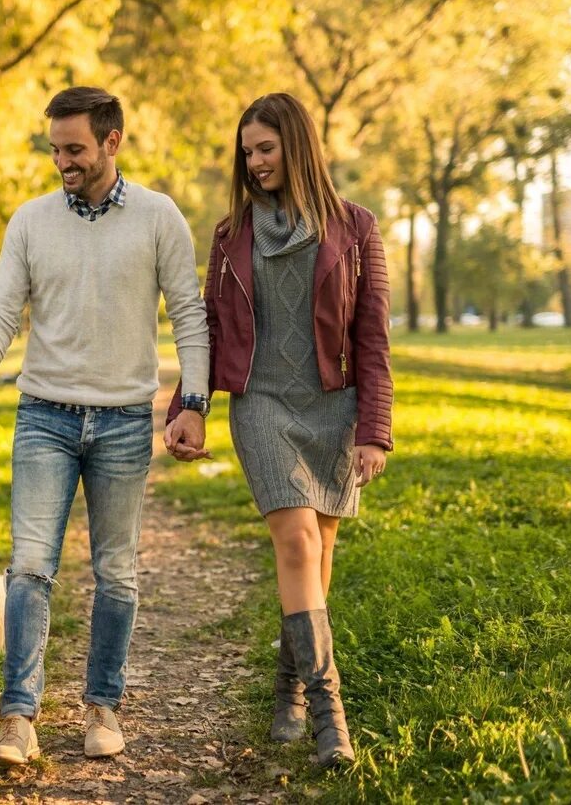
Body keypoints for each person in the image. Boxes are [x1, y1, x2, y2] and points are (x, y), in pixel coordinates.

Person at [0, 86, 211, 767]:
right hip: (45, 417)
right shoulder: (31, 222)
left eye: (74, 149)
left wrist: (195, 402)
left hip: (125, 420)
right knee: (30, 568)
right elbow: (1, 311)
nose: (61, 161)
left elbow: (189, 313)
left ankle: (102, 706)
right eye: (54, 148)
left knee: (116, 573)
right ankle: (18, 719)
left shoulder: (158, 217)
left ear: (112, 142)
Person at [165, 92, 393, 768]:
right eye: (247, 153)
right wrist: (190, 403)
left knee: (317, 553)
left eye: (266, 148)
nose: (256, 162)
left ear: (298, 146)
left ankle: (288, 689)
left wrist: (374, 428)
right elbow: (206, 327)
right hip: (261, 403)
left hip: (333, 407)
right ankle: (332, 718)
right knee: (295, 539)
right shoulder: (230, 235)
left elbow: (372, 337)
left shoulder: (356, 227)